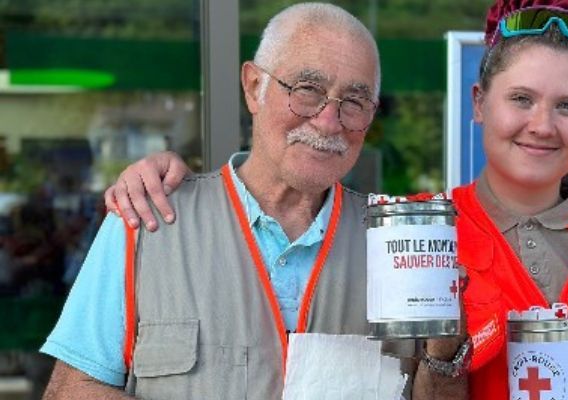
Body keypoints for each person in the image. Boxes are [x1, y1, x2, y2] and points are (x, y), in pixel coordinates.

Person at [104, 0, 568, 399]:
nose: (542, 125)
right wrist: (171, 177)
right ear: (478, 103)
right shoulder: (404, 231)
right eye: (521, 99)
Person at [40, 3, 469, 399]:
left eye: (354, 102)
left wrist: (444, 350)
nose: (328, 121)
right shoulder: (146, 220)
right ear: (253, 86)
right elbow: (69, 391)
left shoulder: (397, 244)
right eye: (307, 89)